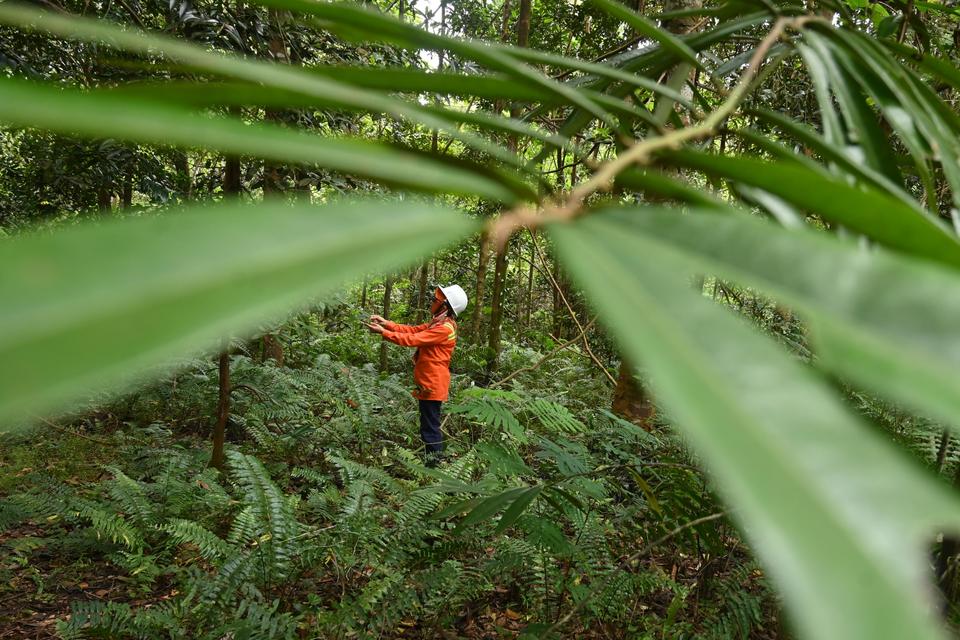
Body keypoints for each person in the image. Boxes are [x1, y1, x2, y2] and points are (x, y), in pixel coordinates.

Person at [365, 284, 468, 465]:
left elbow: (412, 340)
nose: (432, 301)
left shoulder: (444, 328)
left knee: (430, 427)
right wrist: (386, 323)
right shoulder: (438, 322)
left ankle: (434, 467)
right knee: (428, 425)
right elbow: (412, 330)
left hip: (433, 383)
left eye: (436, 300)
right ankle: (433, 463)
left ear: (445, 306)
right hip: (428, 381)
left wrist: (384, 333)